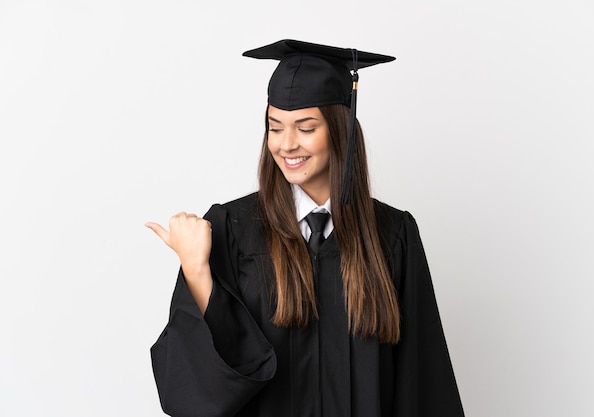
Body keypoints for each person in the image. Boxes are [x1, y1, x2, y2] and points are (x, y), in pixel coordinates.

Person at [146, 39, 464, 417]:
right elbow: (198, 390)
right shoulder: (232, 229)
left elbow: (421, 380)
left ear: (340, 130)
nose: (287, 144)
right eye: (275, 127)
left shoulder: (392, 234)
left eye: (306, 127)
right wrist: (196, 271)